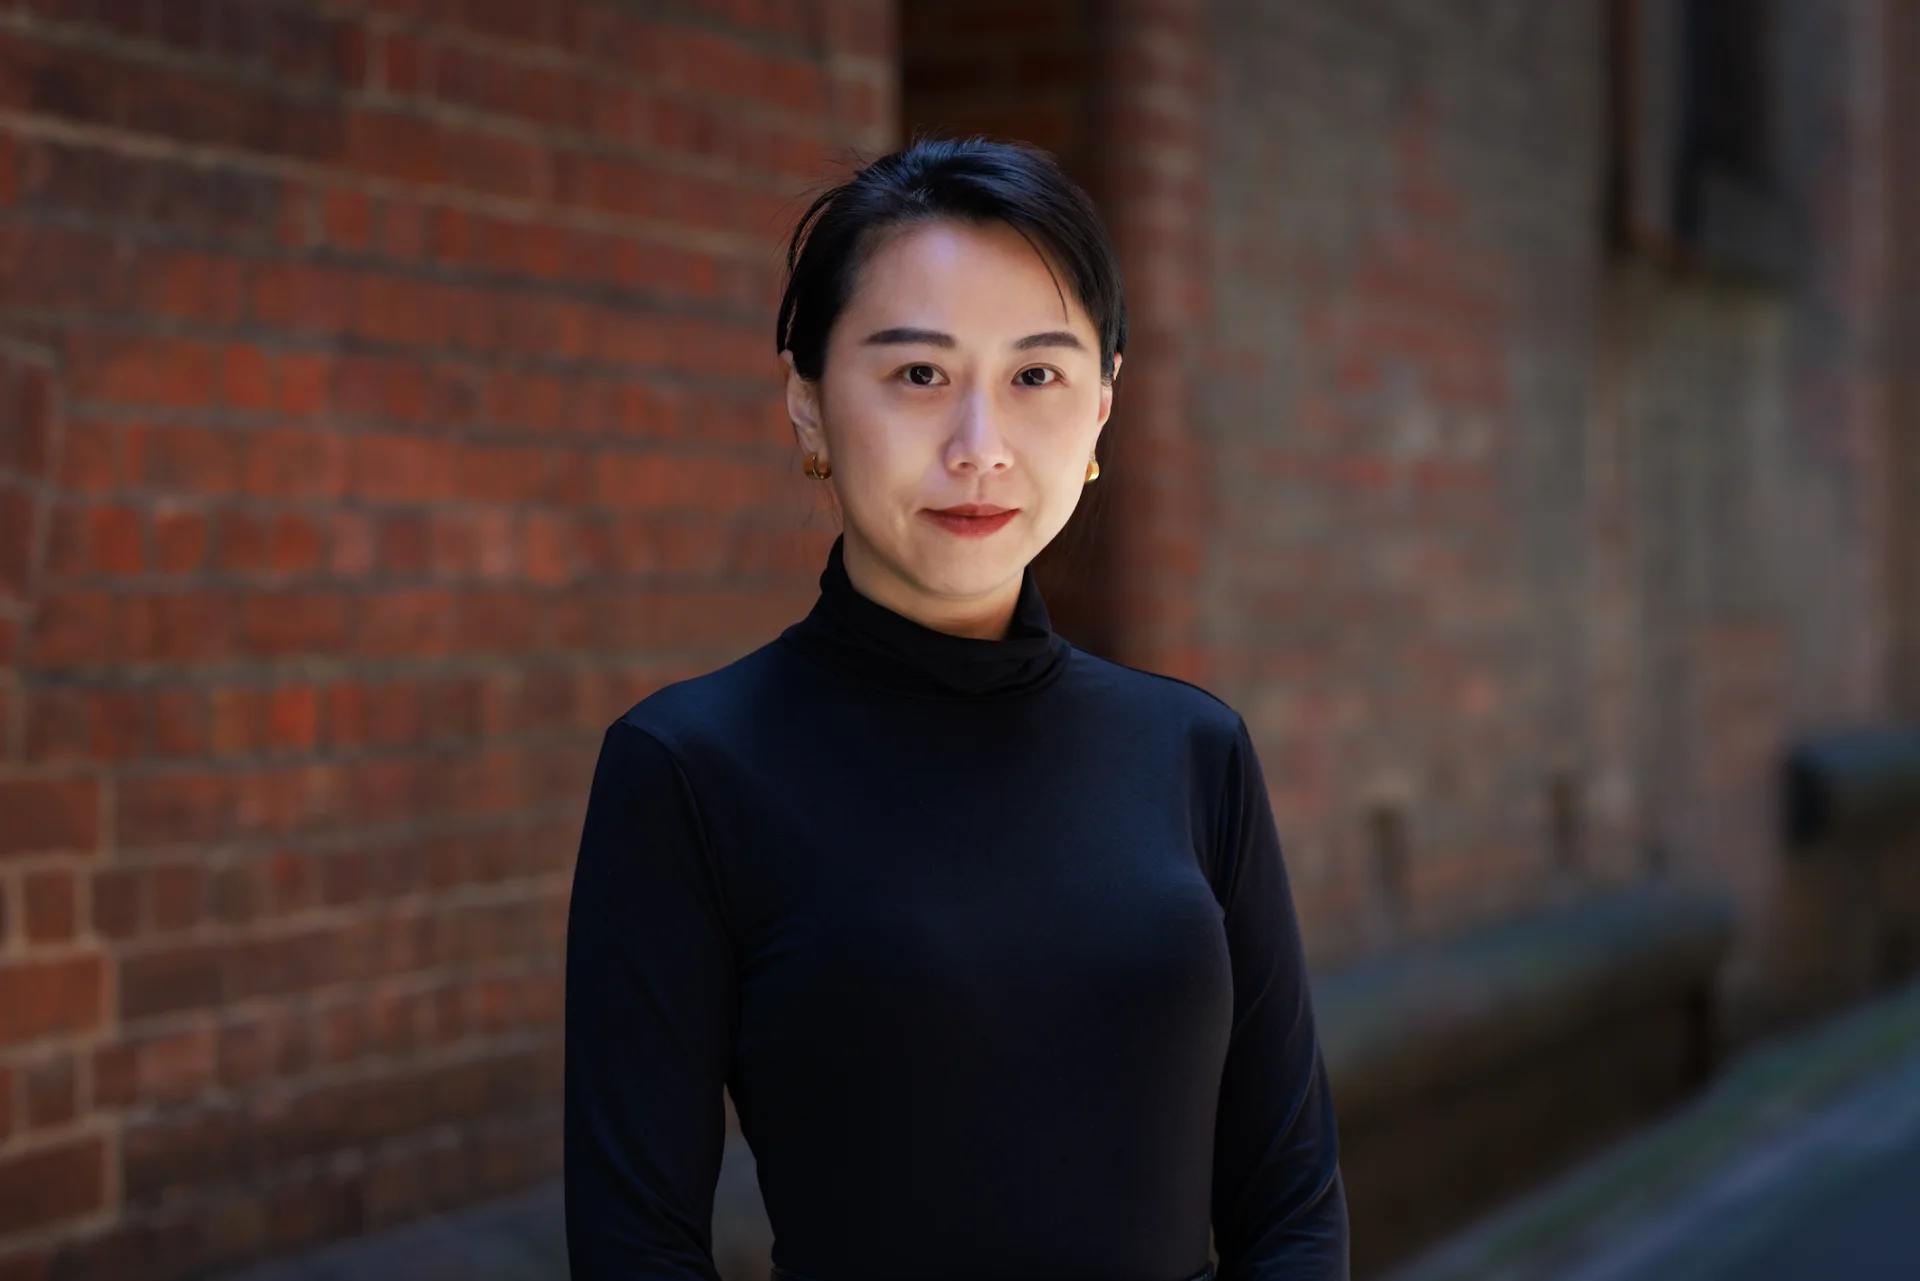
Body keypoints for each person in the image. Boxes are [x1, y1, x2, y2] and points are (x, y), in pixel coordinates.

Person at [564, 136, 1348, 1281]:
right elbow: (637, 1247)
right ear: (809, 404)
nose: (980, 451)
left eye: (1036, 377)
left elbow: (1291, 1209)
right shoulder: (687, 770)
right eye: (918, 375)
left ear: (1102, 411)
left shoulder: (1192, 751)